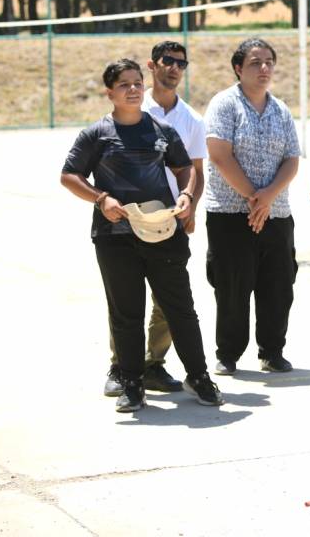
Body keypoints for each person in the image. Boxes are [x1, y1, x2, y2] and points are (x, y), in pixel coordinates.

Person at [61, 59, 223, 412]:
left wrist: (186, 196)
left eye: (137, 83)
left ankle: (198, 377)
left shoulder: (162, 129)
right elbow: (69, 176)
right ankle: (132, 383)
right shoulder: (96, 134)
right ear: (110, 93)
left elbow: (185, 169)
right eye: (124, 85)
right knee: (126, 313)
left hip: (163, 233)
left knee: (180, 309)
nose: (133, 89)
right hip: (114, 236)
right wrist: (101, 198)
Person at [101, 41, 207, 397]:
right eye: (168, 61)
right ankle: (121, 368)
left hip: (167, 222)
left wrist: (190, 205)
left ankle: (151, 364)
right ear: (151, 66)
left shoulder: (191, 120)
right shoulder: (131, 103)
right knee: (125, 301)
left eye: (181, 63)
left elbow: (193, 170)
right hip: (126, 222)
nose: (175, 68)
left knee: (168, 304)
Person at [203, 38, 301, 375]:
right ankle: (228, 353)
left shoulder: (281, 110)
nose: (264, 69)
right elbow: (219, 154)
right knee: (233, 286)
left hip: (276, 214)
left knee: (278, 286)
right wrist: (252, 198)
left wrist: (268, 197)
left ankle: (272, 351)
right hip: (230, 214)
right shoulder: (224, 104)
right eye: (256, 63)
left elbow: (291, 159)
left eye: (269, 62)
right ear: (238, 68)